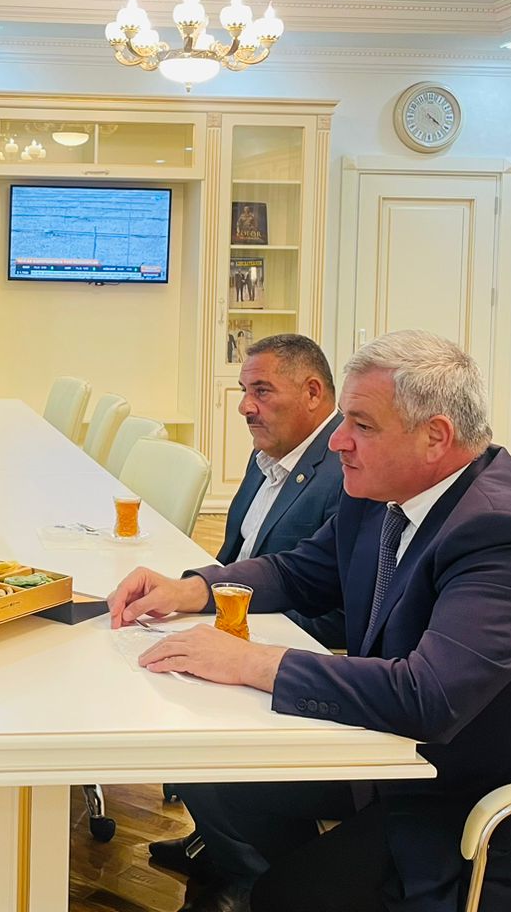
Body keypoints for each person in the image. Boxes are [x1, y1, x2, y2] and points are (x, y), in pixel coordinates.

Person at [109, 330, 511, 912]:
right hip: (403, 757)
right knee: (217, 770)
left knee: (290, 892)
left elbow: (427, 696)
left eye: (361, 425)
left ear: (435, 436)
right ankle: (255, 885)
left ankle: (277, 891)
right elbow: (299, 572)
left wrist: (251, 662)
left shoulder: (508, 534)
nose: (337, 441)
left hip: (501, 816)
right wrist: (192, 589)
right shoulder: (381, 493)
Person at [149, 334, 345, 877]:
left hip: (298, 648)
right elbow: (237, 556)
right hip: (244, 623)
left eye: (261, 390)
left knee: (184, 721)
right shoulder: (270, 454)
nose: (244, 407)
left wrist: (236, 642)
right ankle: (217, 842)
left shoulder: (345, 473)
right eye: (243, 390)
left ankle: (245, 877)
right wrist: (190, 595)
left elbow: (337, 604)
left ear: (312, 393)